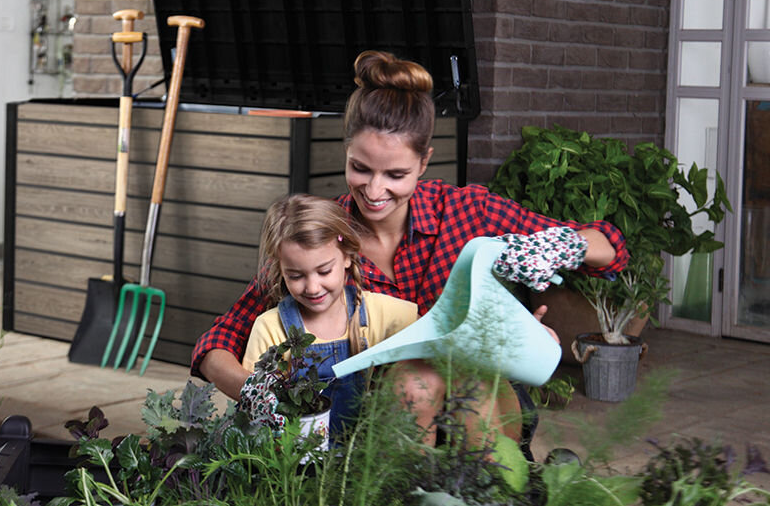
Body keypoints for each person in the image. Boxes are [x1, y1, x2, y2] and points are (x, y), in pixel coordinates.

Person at [193, 50, 629, 444]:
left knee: (478, 404)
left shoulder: (468, 212)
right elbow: (220, 338)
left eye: (395, 174)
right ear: (345, 152)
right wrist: (256, 391)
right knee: (414, 384)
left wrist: (554, 252)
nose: (375, 190)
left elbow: (610, 247)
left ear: (424, 162)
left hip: (474, 407)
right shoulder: (323, 236)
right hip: (369, 426)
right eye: (360, 168)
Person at [240, 193, 418, 439]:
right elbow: (255, 404)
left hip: (360, 459)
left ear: (346, 256)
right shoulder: (270, 328)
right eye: (295, 276)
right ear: (279, 268)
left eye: (324, 271)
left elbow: (431, 335)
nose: (312, 288)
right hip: (294, 458)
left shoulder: (381, 312)